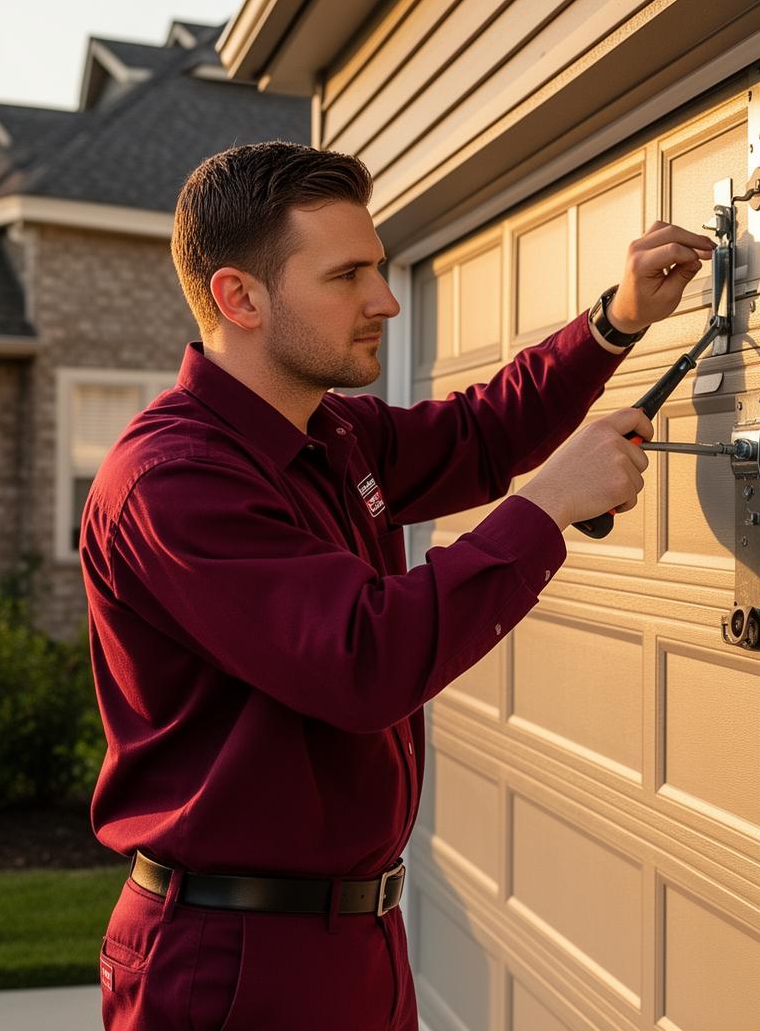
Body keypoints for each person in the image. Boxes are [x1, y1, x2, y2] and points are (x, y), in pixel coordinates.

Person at [81, 140, 713, 1030]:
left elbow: (483, 434)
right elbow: (365, 659)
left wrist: (616, 320)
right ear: (240, 298)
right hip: (231, 963)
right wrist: (547, 506)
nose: (384, 299)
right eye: (348, 276)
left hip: (355, 940)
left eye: (377, 268)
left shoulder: (331, 435)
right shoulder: (176, 480)